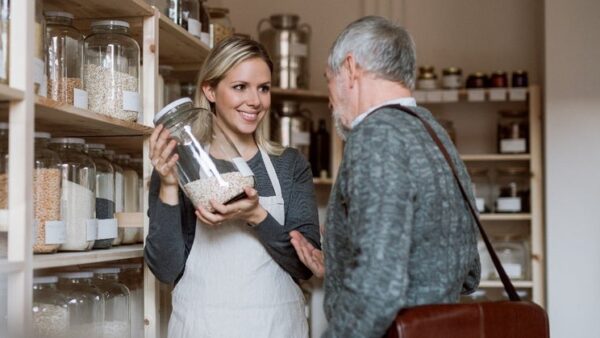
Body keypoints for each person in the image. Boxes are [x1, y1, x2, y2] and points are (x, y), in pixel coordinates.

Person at [290, 16, 481, 338]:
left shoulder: (376, 135)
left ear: (350, 68)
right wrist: (341, 263)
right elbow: (469, 273)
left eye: (328, 80)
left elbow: (378, 289)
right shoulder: (434, 133)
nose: (329, 99)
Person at [145, 36, 321, 338]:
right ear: (210, 90)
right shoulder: (180, 164)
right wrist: (170, 185)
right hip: (202, 328)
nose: (255, 101)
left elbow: (305, 265)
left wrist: (256, 216)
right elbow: (165, 269)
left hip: (276, 329)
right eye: (240, 87)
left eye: (263, 88)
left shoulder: (289, 165)